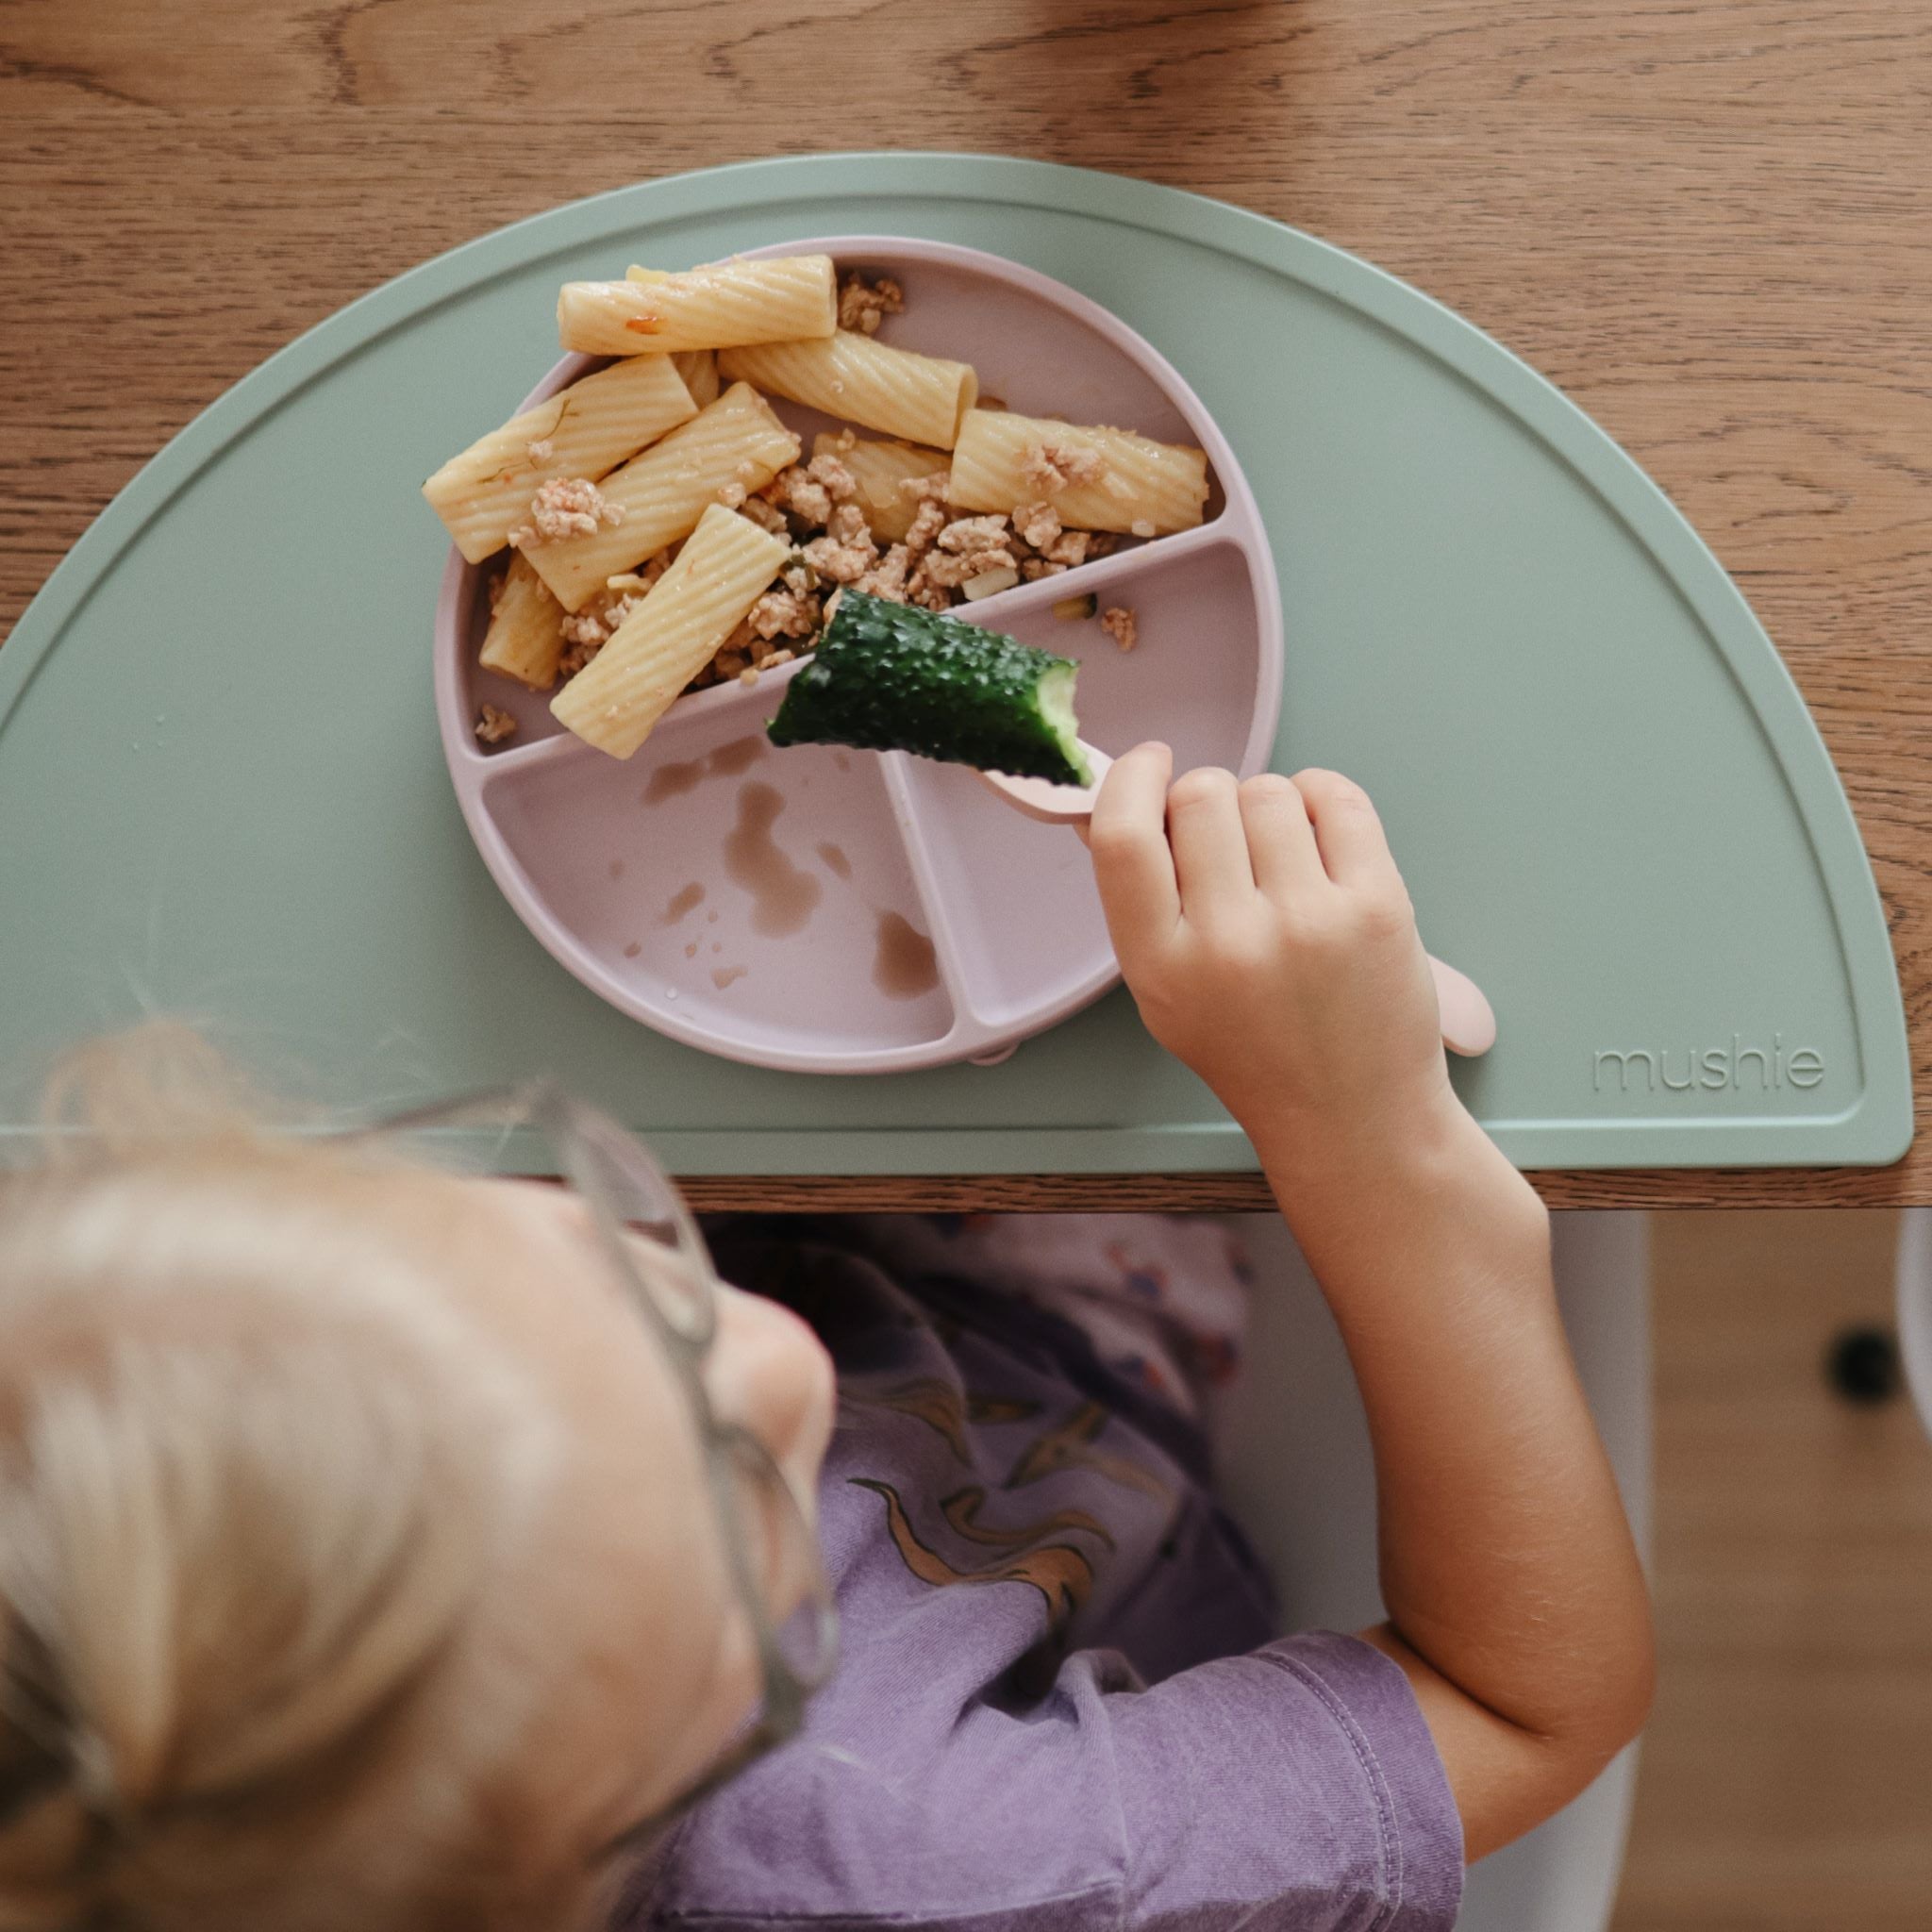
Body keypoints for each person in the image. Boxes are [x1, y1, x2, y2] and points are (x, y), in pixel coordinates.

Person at [0, 749, 1652, 1931]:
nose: (781, 1362)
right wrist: (1368, 1140)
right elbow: (1527, 1705)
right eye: (737, 1515)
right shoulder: (936, 1867)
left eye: (611, 1283)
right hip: (1071, 1393)